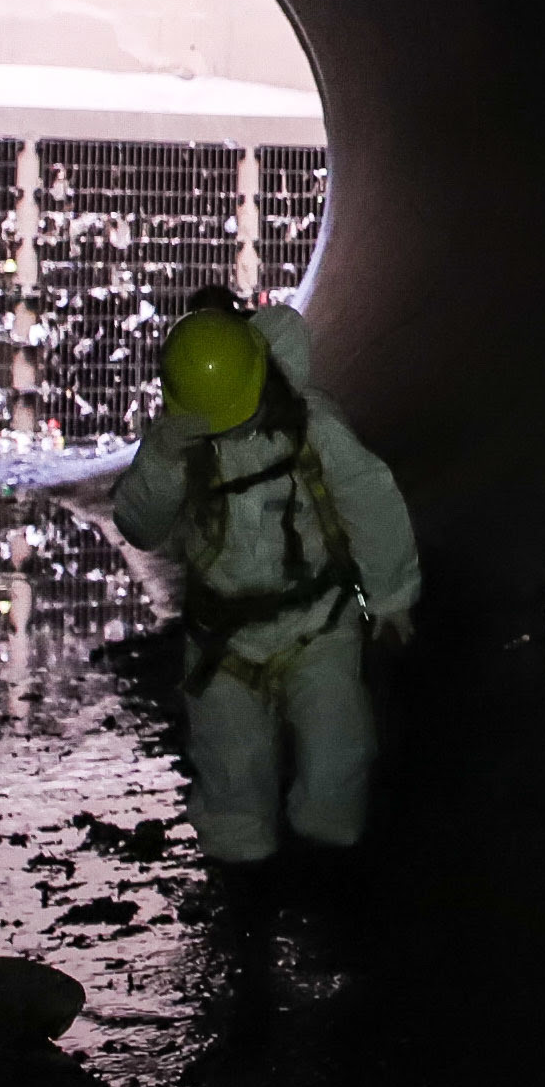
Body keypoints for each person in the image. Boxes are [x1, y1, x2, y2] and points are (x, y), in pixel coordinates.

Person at [113, 291, 421, 868]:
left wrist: (391, 598)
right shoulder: (182, 447)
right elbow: (139, 524)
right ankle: (245, 889)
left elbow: (369, 502)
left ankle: (329, 880)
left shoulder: (312, 425)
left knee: (337, 763)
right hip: (224, 639)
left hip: (318, 623)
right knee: (232, 780)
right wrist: (159, 459)